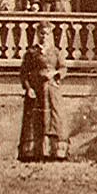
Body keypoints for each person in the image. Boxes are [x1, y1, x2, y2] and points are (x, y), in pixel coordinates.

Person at [18, 23, 69, 162]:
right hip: (37, 91)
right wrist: (28, 88)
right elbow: (23, 74)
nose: (44, 37)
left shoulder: (56, 52)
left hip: (52, 91)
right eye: (41, 33)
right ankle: (35, 152)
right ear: (37, 34)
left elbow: (63, 68)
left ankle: (55, 152)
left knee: (55, 119)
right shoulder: (31, 53)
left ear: (50, 35)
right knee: (36, 120)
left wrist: (56, 74)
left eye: (47, 34)